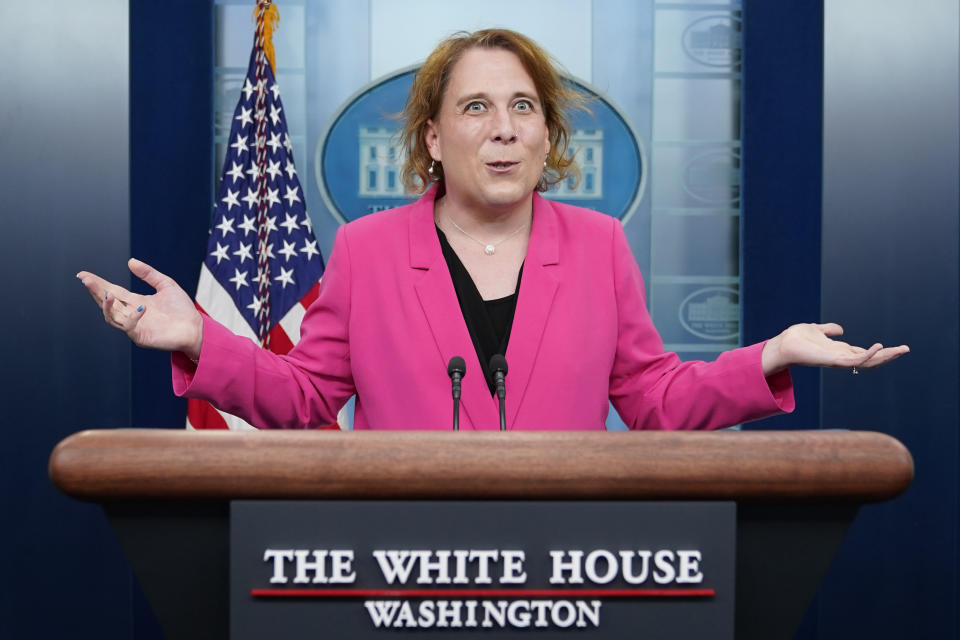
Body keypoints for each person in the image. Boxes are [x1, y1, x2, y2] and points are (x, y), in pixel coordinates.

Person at [77, 29, 908, 431]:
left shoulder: (598, 248)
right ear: (433, 139)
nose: (504, 128)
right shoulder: (368, 252)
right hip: (394, 575)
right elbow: (306, 400)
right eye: (476, 107)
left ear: (548, 136)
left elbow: (654, 399)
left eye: (523, 108)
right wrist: (200, 340)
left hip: (568, 576)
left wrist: (770, 357)